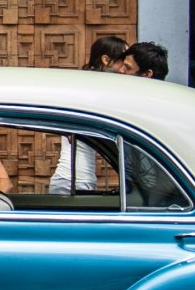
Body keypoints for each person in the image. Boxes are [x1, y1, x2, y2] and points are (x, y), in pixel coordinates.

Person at [50, 40, 167, 194]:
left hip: (149, 188)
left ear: (147, 75)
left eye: (127, 67)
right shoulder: (95, 93)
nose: (121, 71)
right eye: (121, 64)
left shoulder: (152, 108)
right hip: (73, 181)